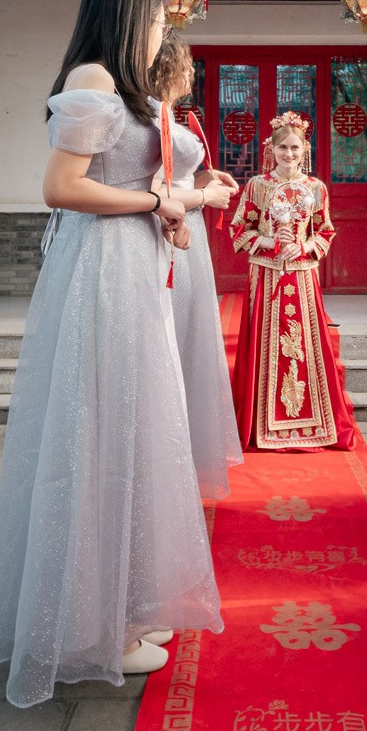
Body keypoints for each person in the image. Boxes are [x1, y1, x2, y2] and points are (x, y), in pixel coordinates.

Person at [0, 0, 221, 707]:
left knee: (134, 431)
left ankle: (122, 605)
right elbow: (62, 186)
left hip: (132, 263)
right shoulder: (94, 77)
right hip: (104, 272)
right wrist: (155, 198)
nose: (160, 32)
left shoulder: (125, 88)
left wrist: (164, 211)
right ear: (126, 16)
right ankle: (96, 626)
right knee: (103, 432)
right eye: (153, 18)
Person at [227, 112, 359, 451]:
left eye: (295, 148)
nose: (289, 154)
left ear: (305, 150)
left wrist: (304, 245)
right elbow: (238, 228)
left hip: (301, 276)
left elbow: (326, 230)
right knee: (266, 346)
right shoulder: (258, 185)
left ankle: (309, 424)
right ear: (272, 148)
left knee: (303, 347)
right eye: (283, 147)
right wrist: (268, 241)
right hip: (267, 274)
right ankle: (262, 425)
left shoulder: (316, 188)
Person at [151, 34, 242, 499]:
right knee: (175, 334)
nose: (191, 74)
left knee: (192, 331)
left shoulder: (172, 115)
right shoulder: (152, 112)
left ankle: (185, 446)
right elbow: (155, 183)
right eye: (185, 65)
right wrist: (202, 196)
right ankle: (168, 448)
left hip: (191, 225)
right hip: (176, 228)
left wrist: (205, 177)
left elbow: (174, 174)